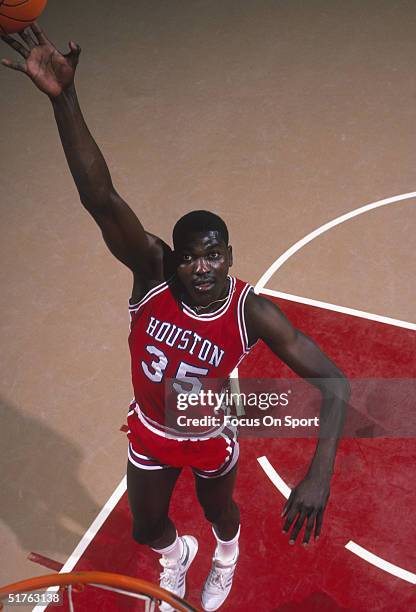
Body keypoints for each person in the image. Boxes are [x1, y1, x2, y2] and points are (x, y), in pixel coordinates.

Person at [1, 24, 350, 612]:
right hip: (152, 429)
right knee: (145, 527)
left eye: (213, 254)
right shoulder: (152, 273)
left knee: (221, 512)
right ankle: (175, 557)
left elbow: (335, 384)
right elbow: (101, 198)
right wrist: (65, 100)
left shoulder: (250, 312)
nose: (201, 267)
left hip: (208, 430)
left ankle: (225, 554)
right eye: (189, 256)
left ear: (230, 257)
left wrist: (319, 477)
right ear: (176, 260)